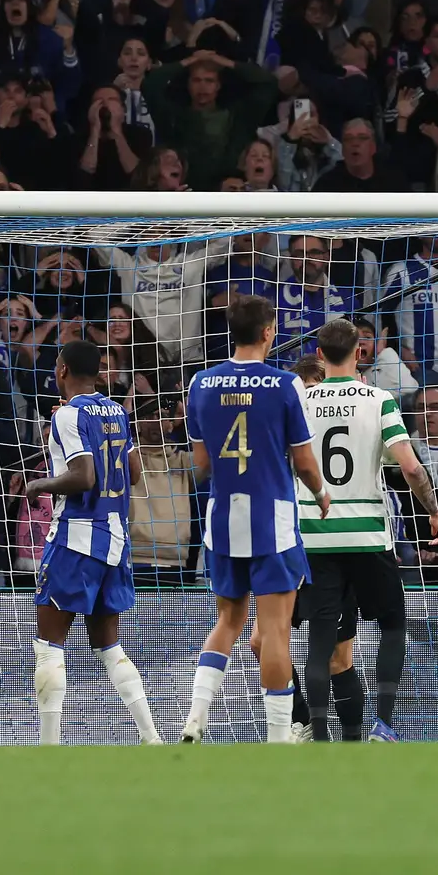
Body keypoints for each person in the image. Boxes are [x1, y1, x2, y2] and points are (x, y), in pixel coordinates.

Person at [178, 295, 332, 744]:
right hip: (273, 520)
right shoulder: (284, 385)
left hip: (223, 519)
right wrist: (321, 493)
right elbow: (304, 462)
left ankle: (195, 717)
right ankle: (278, 738)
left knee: (227, 622)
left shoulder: (201, 384)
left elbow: (201, 463)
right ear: (268, 332)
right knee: (275, 632)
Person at [291, 318, 438, 742]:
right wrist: (434, 511)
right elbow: (411, 467)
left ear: (319, 356)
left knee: (321, 640)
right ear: (360, 353)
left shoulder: (300, 400)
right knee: (393, 624)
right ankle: (383, 725)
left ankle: (319, 734)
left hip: (316, 534)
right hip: (367, 534)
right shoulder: (379, 400)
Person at [23, 339, 162, 745]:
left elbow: (84, 477)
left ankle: (48, 748)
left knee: (49, 647)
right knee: (109, 647)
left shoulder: (68, 414)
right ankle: (151, 737)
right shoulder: (117, 411)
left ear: (61, 370)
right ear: (98, 372)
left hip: (75, 538)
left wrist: (39, 484)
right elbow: (133, 474)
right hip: (116, 541)